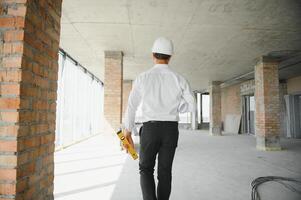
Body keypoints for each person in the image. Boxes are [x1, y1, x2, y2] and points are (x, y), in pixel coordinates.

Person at [123, 37, 196, 200]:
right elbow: (192, 105)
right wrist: (178, 108)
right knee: (165, 172)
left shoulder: (143, 77)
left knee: (146, 169)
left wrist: (127, 130)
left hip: (150, 129)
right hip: (170, 130)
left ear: (153, 55)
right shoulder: (179, 78)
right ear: (170, 57)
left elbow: (131, 105)